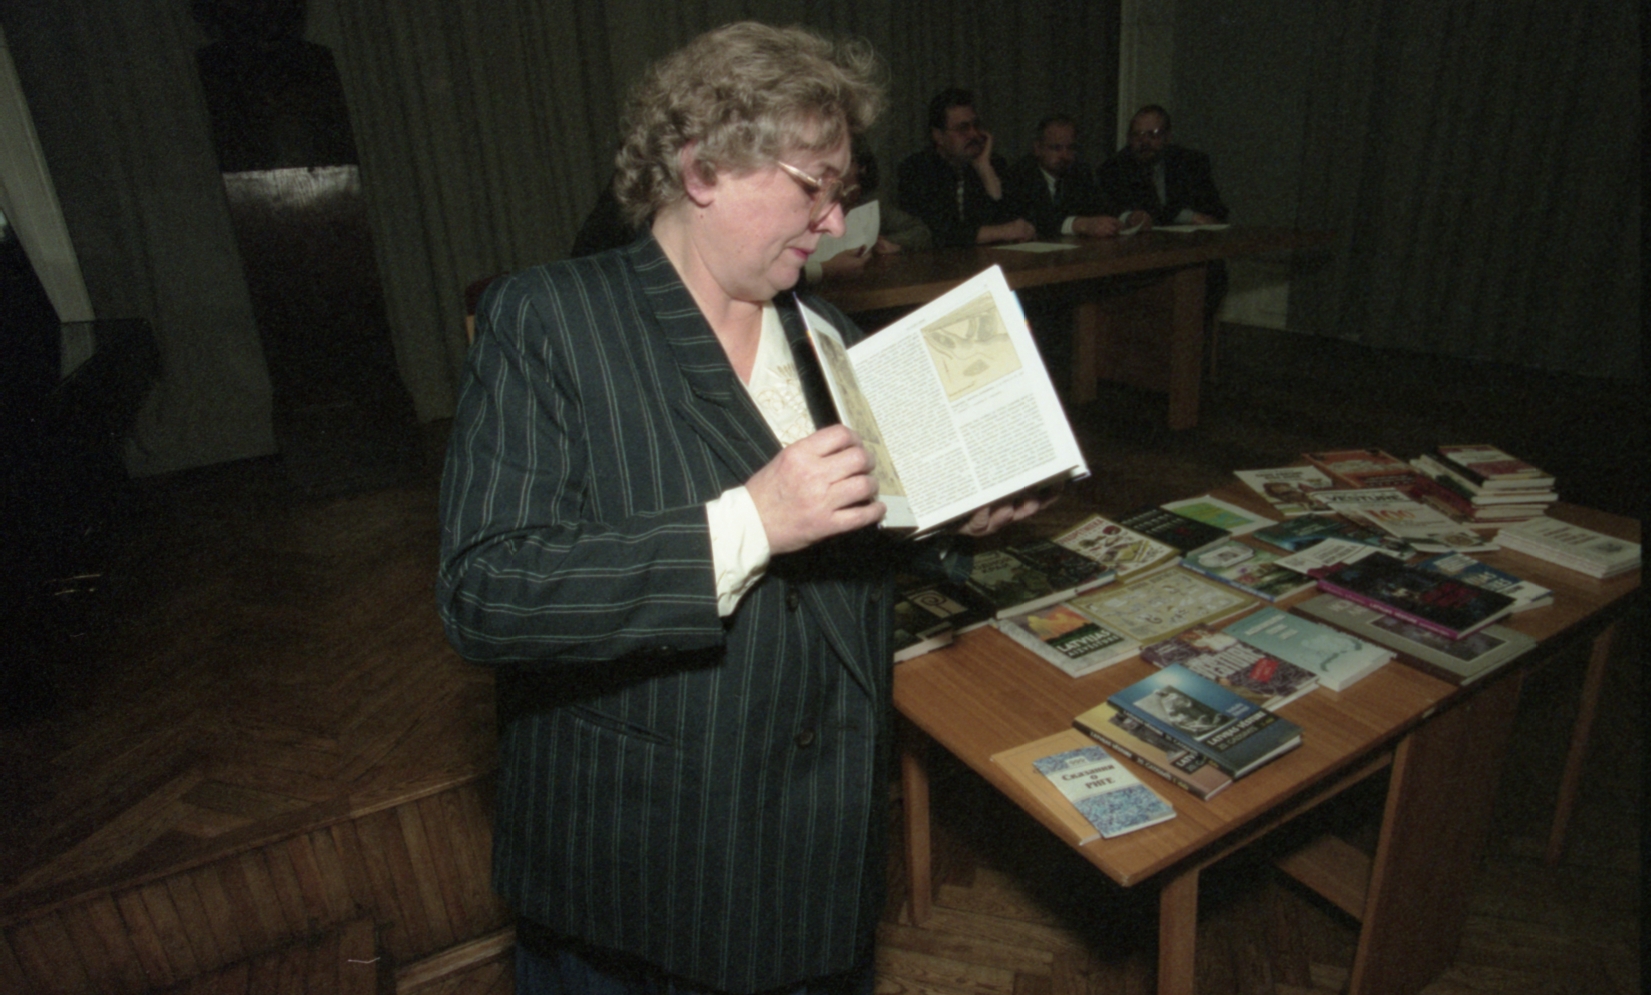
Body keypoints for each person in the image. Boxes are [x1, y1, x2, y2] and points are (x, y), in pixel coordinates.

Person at [437, 22, 1042, 995]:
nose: (834, 221)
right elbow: (488, 592)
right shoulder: (548, 318)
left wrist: (946, 512)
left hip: (818, 856)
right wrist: (749, 521)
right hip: (643, 860)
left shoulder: (829, 331)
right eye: (814, 187)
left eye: (843, 190)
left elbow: (851, 539)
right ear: (702, 166)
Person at [895, 88, 1035, 247]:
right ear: (938, 136)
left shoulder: (993, 163)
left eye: (976, 125)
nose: (974, 134)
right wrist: (1001, 232)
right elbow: (936, 231)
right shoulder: (916, 169)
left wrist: (985, 171)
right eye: (963, 128)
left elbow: (1015, 220)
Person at [804, 136, 932, 285]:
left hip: (859, 284)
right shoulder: (806, 201)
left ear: (861, 168)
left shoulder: (868, 203)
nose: (837, 174)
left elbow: (920, 232)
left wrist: (889, 243)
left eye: (846, 164)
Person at [1095, 104, 1229, 231]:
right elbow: (1148, 210)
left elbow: (1215, 210)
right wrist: (1188, 216)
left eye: (1153, 134)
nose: (1144, 141)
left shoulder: (1190, 162)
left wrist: (1206, 219)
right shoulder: (1114, 168)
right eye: (1137, 135)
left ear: (1167, 137)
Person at [1003, 115, 1120, 239]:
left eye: (1070, 148)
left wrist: (1115, 220)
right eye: (1056, 148)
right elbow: (1030, 222)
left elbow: (1101, 209)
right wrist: (1078, 225)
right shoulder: (1019, 175)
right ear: (1037, 148)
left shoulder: (1080, 172)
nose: (1065, 155)